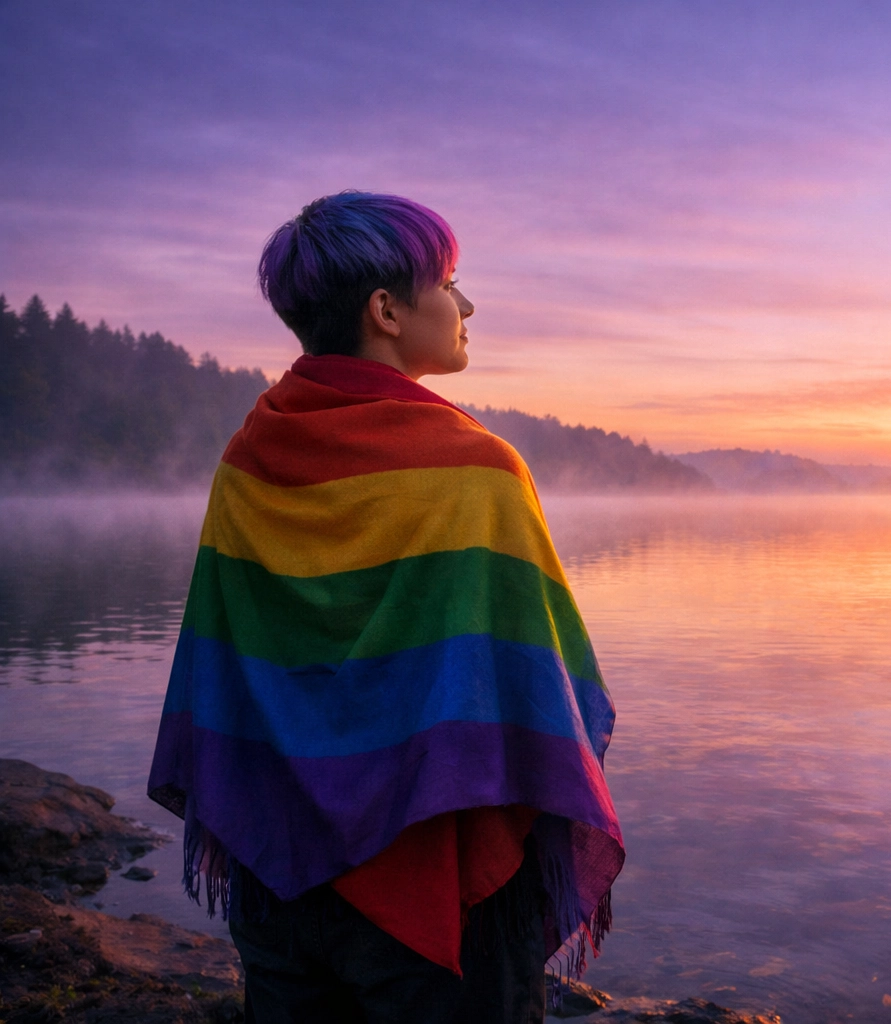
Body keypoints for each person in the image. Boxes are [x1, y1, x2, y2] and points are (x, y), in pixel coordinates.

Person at [147, 191, 624, 1023]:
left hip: (280, 873)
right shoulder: (476, 469)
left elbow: (227, 671)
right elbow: (538, 692)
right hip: (443, 887)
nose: (467, 304)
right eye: (449, 281)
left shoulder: (247, 461)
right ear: (387, 310)